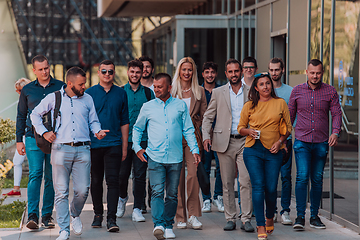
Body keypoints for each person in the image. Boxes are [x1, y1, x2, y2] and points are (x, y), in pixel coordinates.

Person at [31, 67, 109, 240]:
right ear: (70, 83)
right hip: (60, 149)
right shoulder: (54, 97)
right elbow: (35, 114)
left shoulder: (88, 98)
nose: (84, 87)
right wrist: (44, 132)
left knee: (82, 190)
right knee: (61, 192)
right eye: (81, 84)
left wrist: (97, 131)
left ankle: (75, 213)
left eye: (85, 83)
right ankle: (64, 229)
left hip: (83, 149)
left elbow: (93, 120)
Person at [132, 73, 201, 240]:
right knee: (156, 192)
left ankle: (169, 225)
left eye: (160, 87)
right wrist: (137, 148)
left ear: (169, 87)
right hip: (155, 157)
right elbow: (137, 128)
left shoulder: (180, 105)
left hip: (176, 158)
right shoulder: (147, 106)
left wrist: (194, 149)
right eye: (155, 86)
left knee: (171, 194)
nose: (156, 89)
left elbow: (188, 129)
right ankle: (159, 225)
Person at [289, 59, 342, 231]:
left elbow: (336, 113)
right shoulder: (297, 91)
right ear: (307, 72)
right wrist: (283, 137)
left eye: (318, 73)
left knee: (317, 179)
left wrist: (335, 132)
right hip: (302, 141)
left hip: (321, 142)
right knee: (302, 177)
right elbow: (289, 116)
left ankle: (314, 216)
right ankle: (299, 216)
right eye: (312, 73)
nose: (315, 76)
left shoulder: (330, 91)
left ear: (322, 73)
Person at [238, 72, 292, 240]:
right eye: (261, 84)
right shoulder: (249, 105)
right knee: (258, 185)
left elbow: (288, 127)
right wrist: (249, 131)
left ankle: (270, 216)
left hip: (273, 150)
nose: (265, 86)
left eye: (267, 83)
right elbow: (240, 128)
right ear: (256, 87)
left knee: (270, 188)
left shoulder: (280, 103)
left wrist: (281, 142)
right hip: (252, 150)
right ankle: (260, 224)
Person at [202, 59, 254, 232]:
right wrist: (205, 137)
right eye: (230, 72)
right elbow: (208, 117)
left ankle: (246, 218)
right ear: (226, 74)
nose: (234, 74)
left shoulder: (251, 91)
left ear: (241, 72)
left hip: (246, 142)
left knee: (245, 181)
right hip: (224, 141)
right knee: (227, 182)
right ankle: (230, 218)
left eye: (236, 71)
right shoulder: (218, 92)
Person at [16, 55, 65, 229]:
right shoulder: (27, 90)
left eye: (47, 67)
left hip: (55, 138)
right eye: (41, 69)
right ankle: (32, 216)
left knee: (51, 177)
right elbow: (21, 115)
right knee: (35, 174)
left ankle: (47, 216)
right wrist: (18, 140)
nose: (45, 71)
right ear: (34, 70)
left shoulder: (61, 86)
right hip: (32, 138)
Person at [86, 60, 129, 232]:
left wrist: (124, 146)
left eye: (110, 72)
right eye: (104, 71)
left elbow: (125, 121)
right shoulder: (89, 94)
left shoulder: (121, 93)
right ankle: (98, 214)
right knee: (96, 180)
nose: (107, 75)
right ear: (98, 73)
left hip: (114, 144)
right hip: (94, 145)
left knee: (113, 181)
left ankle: (112, 219)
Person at [172, 57, 207, 230]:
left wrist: (197, 127)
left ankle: (193, 214)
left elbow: (205, 115)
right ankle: (180, 216)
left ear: (193, 72)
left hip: (192, 138)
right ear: (179, 70)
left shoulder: (199, 91)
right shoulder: (172, 91)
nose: (186, 72)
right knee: (177, 177)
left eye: (190, 70)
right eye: (184, 69)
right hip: (174, 139)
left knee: (193, 175)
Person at [117, 59, 154, 222]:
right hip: (124, 140)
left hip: (143, 141)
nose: (135, 74)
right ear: (128, 72)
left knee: (139, 175)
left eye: (138, 72)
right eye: (132, 71)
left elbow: (153, 116)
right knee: (121, 174)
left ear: (142, 73)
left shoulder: (148, 93)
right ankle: (122, 198)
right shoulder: (119, 92)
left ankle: (138, 207)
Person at [268, 58, 294, 225]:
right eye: (271, 70)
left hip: (285, 141)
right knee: (270, 178)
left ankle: (285, 210)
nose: (274, 73)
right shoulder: (264, 90)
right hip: (268, 141)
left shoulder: (291, 91)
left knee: (285, 177)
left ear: (282, 70)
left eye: (277, 69)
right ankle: (271, 211)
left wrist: (288, 138)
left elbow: (293, 117)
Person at [200, 62, 224, 213]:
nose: (210, 75)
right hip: (204, 134)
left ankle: (218, 196)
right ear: (202, 74)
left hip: (220, 133)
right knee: (205, 167)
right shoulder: (198, 91)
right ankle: (206, 199)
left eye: (212, 72)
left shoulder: (222, 90)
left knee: (221, 167)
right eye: (207, 72)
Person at [3, 78, 31, 197]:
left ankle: (17, 188)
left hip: (31, 136)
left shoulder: (30, 101)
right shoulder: (23, 101)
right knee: (17, 162)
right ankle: (16, 188)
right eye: (17, 90)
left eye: (19, 90)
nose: (17, 93)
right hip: (25, 135)